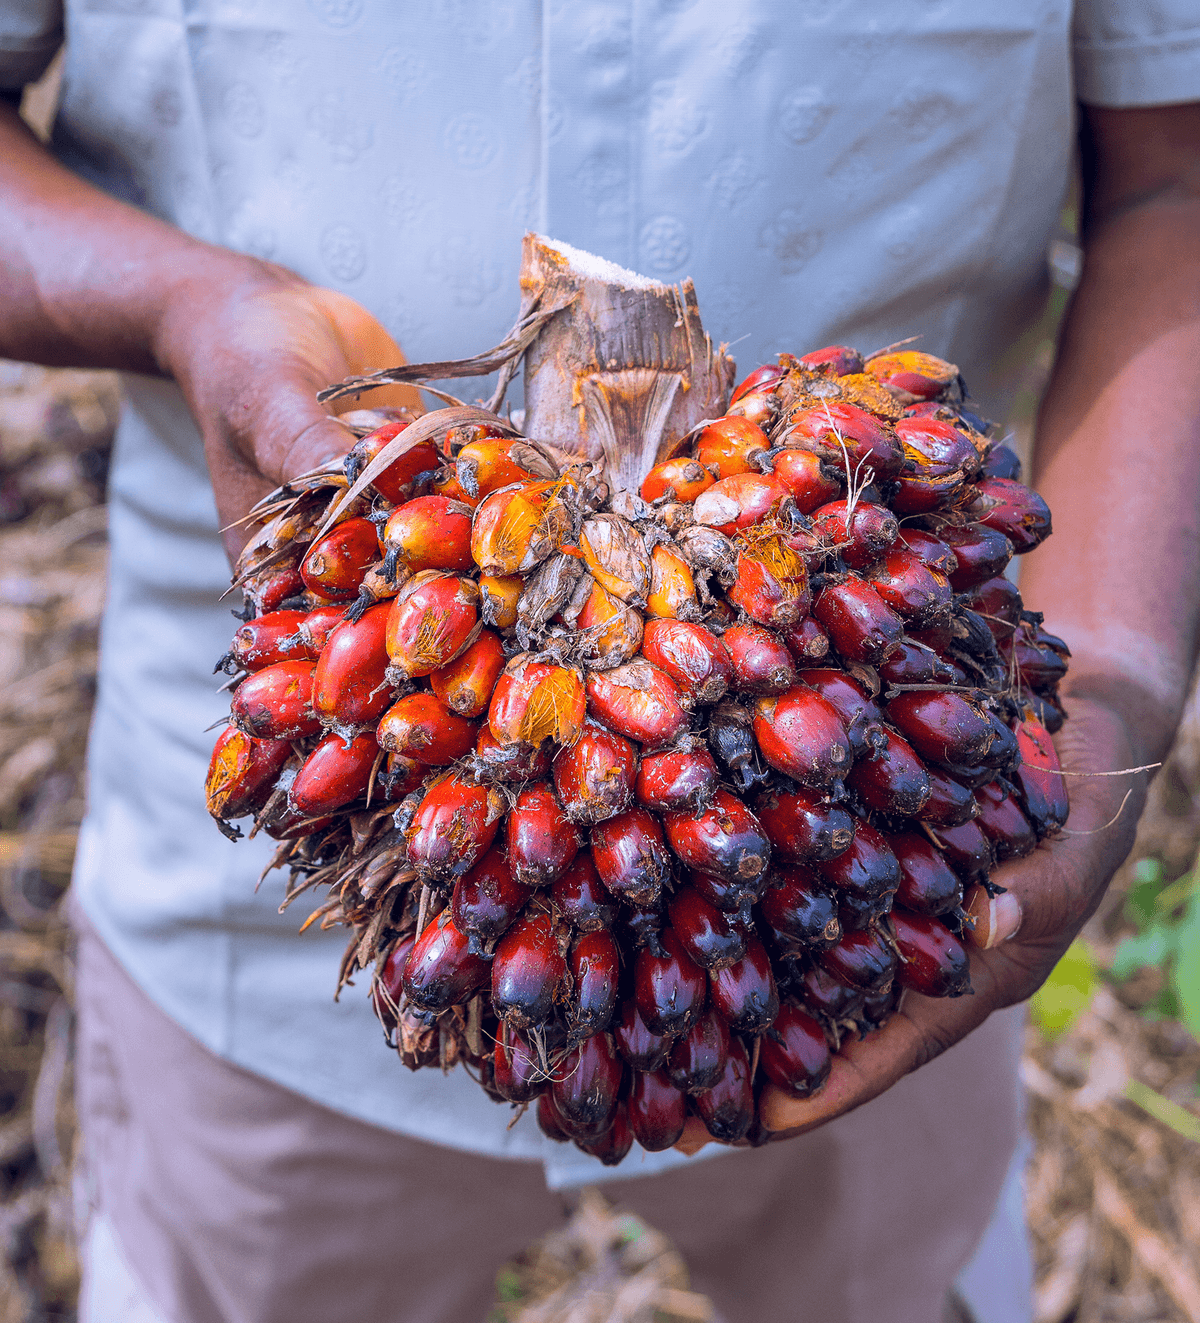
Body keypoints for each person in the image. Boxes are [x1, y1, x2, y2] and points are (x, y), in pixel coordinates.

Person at [1, 3, 1198, 1320]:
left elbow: (1174, 180)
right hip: (301, 897)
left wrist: (1116, 685)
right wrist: (190, 305)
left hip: (867, 887)